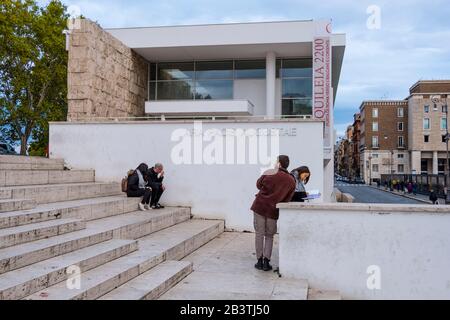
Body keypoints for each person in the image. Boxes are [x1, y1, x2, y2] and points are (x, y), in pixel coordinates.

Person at [250, 155, 296, 272]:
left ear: (279, 163)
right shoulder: (291, 180)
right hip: (273, 210)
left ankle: (259, 261)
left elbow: (258, 184)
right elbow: (288, 198)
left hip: (260, 206)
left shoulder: (270, 172)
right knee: (269, 236)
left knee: (259, 233)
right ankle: (266, 262)